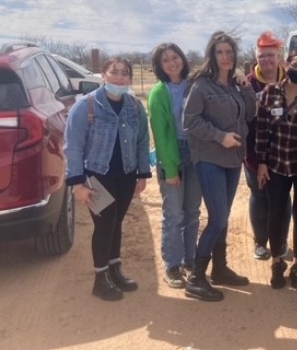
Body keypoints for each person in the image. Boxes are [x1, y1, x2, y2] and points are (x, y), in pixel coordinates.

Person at [64, 57, 150, 301]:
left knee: (116, 223)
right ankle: (100, 279)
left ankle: (115, 270)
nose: (119, 77)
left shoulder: (134, 106)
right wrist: (77, 184)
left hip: (125, 175)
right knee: (105, 224)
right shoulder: (86, 106)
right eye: (114, 72)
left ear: (130, 78)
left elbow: (142, 140)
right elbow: (73, 147)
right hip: (95, 177)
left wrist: (142, 174)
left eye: (125, 73)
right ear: (103, 75)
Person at [183, 31, 256, 302]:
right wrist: (220, 136)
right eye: (220, 52)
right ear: (212, 55)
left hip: (233, 160)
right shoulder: (201, 86)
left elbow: (249, 113)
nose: (226, 57)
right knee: (218, 218)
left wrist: (246, 87)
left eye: (230, 52)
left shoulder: (236, 86)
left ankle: (220, 269)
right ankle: (196, 278)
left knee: (222, 218)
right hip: (210, 159)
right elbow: (190, 122)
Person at [256, 48, 297, 289]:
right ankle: (276, 262)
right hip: (276, 165)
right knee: (275, 214)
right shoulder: (270, 92)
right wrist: (262, 162)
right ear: (287, 64)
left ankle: (296, 264)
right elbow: (262, 130)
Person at [148, 43, 202, 289]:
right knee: (173, 214)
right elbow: (160, 134)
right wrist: (170, 170)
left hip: (197, 152)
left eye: (175, 57)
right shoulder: (159, 93)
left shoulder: (195, 84)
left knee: (192, 212)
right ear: (159, 66)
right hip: (173, 153)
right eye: (165, 60)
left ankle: (191, 261)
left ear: (183, 58)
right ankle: (172, 264)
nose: (172, 62)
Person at [244, 32, 292, 261]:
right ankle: (260, 242)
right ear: (256, 57)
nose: (267, 60)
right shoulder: (247, 82)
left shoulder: (290, 80)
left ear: (279, 56)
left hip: (285, 153)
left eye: (271, 55)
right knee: (260, 196)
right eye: (262, 56)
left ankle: (281, 241)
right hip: (254, 151)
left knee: (283, 198)